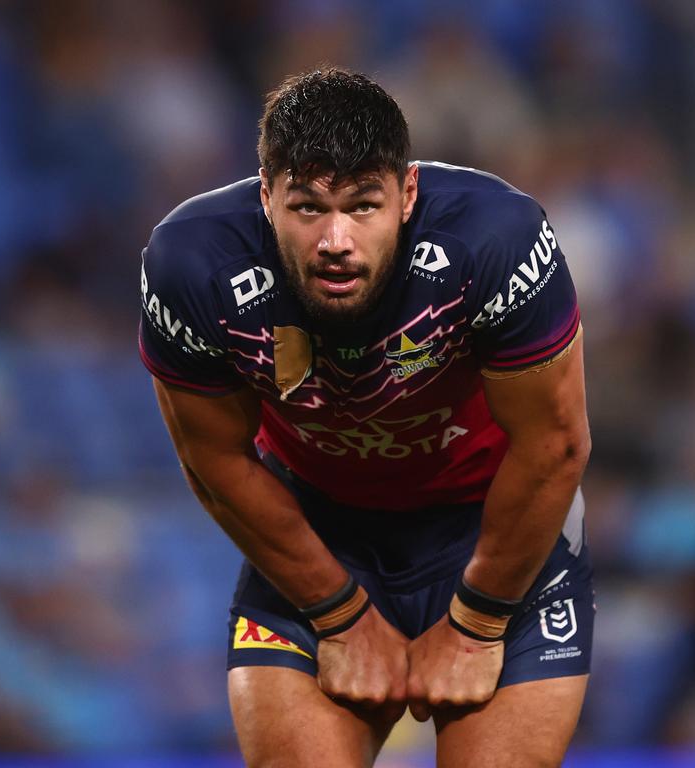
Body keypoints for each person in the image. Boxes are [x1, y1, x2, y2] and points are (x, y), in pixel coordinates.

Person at [139, 67, 593, 767]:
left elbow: (555, 447)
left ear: (408, 195)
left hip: (497, 532)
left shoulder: (496, 240)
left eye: (363, 205)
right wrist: (339, 612)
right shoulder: (191, 264)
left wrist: (476, 622)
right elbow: (215, 460)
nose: (336, 240)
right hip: (321, 535)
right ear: (265, 197)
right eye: (308, 207)